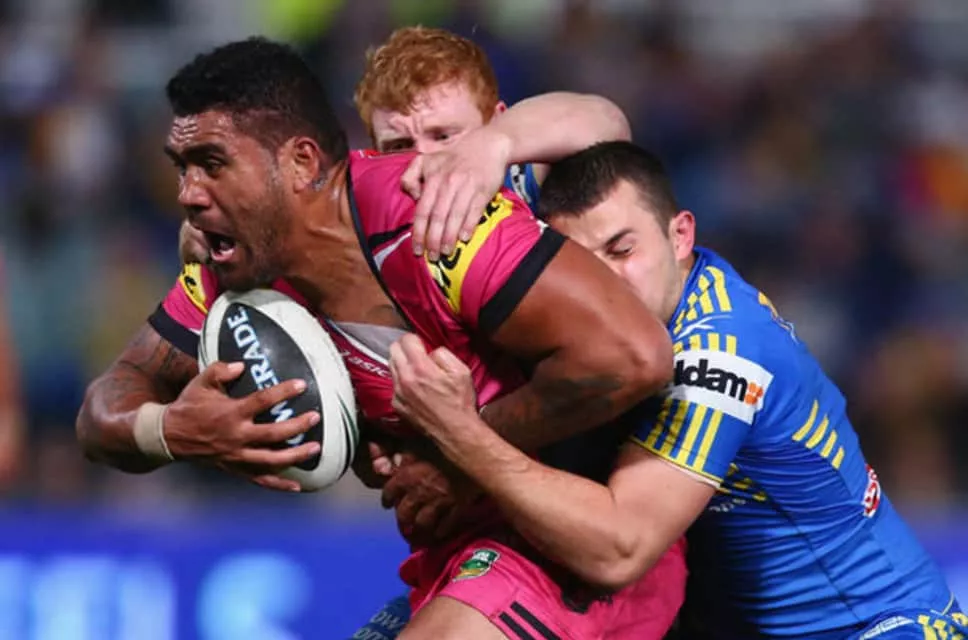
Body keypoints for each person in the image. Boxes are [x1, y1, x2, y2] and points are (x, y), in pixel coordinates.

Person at [76, 38, 685, 639]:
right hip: (453, 561)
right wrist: (171, 430)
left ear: (302, 163)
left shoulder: (437, 218)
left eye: (213, 165)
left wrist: (455, 454)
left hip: (569, 552)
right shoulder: (232, 269)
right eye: (182, 168)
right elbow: (104, 407)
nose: (187, 194)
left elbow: (634, 358)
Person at [389, 141, 968, 640]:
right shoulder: (621, 330)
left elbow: (620, 547)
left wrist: (462, 437)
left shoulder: (720, 354)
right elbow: (589, 114)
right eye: (583, 265)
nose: (607, 282)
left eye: (623, 251)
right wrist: (498, 142)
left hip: (874, 625)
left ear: (681, 234)